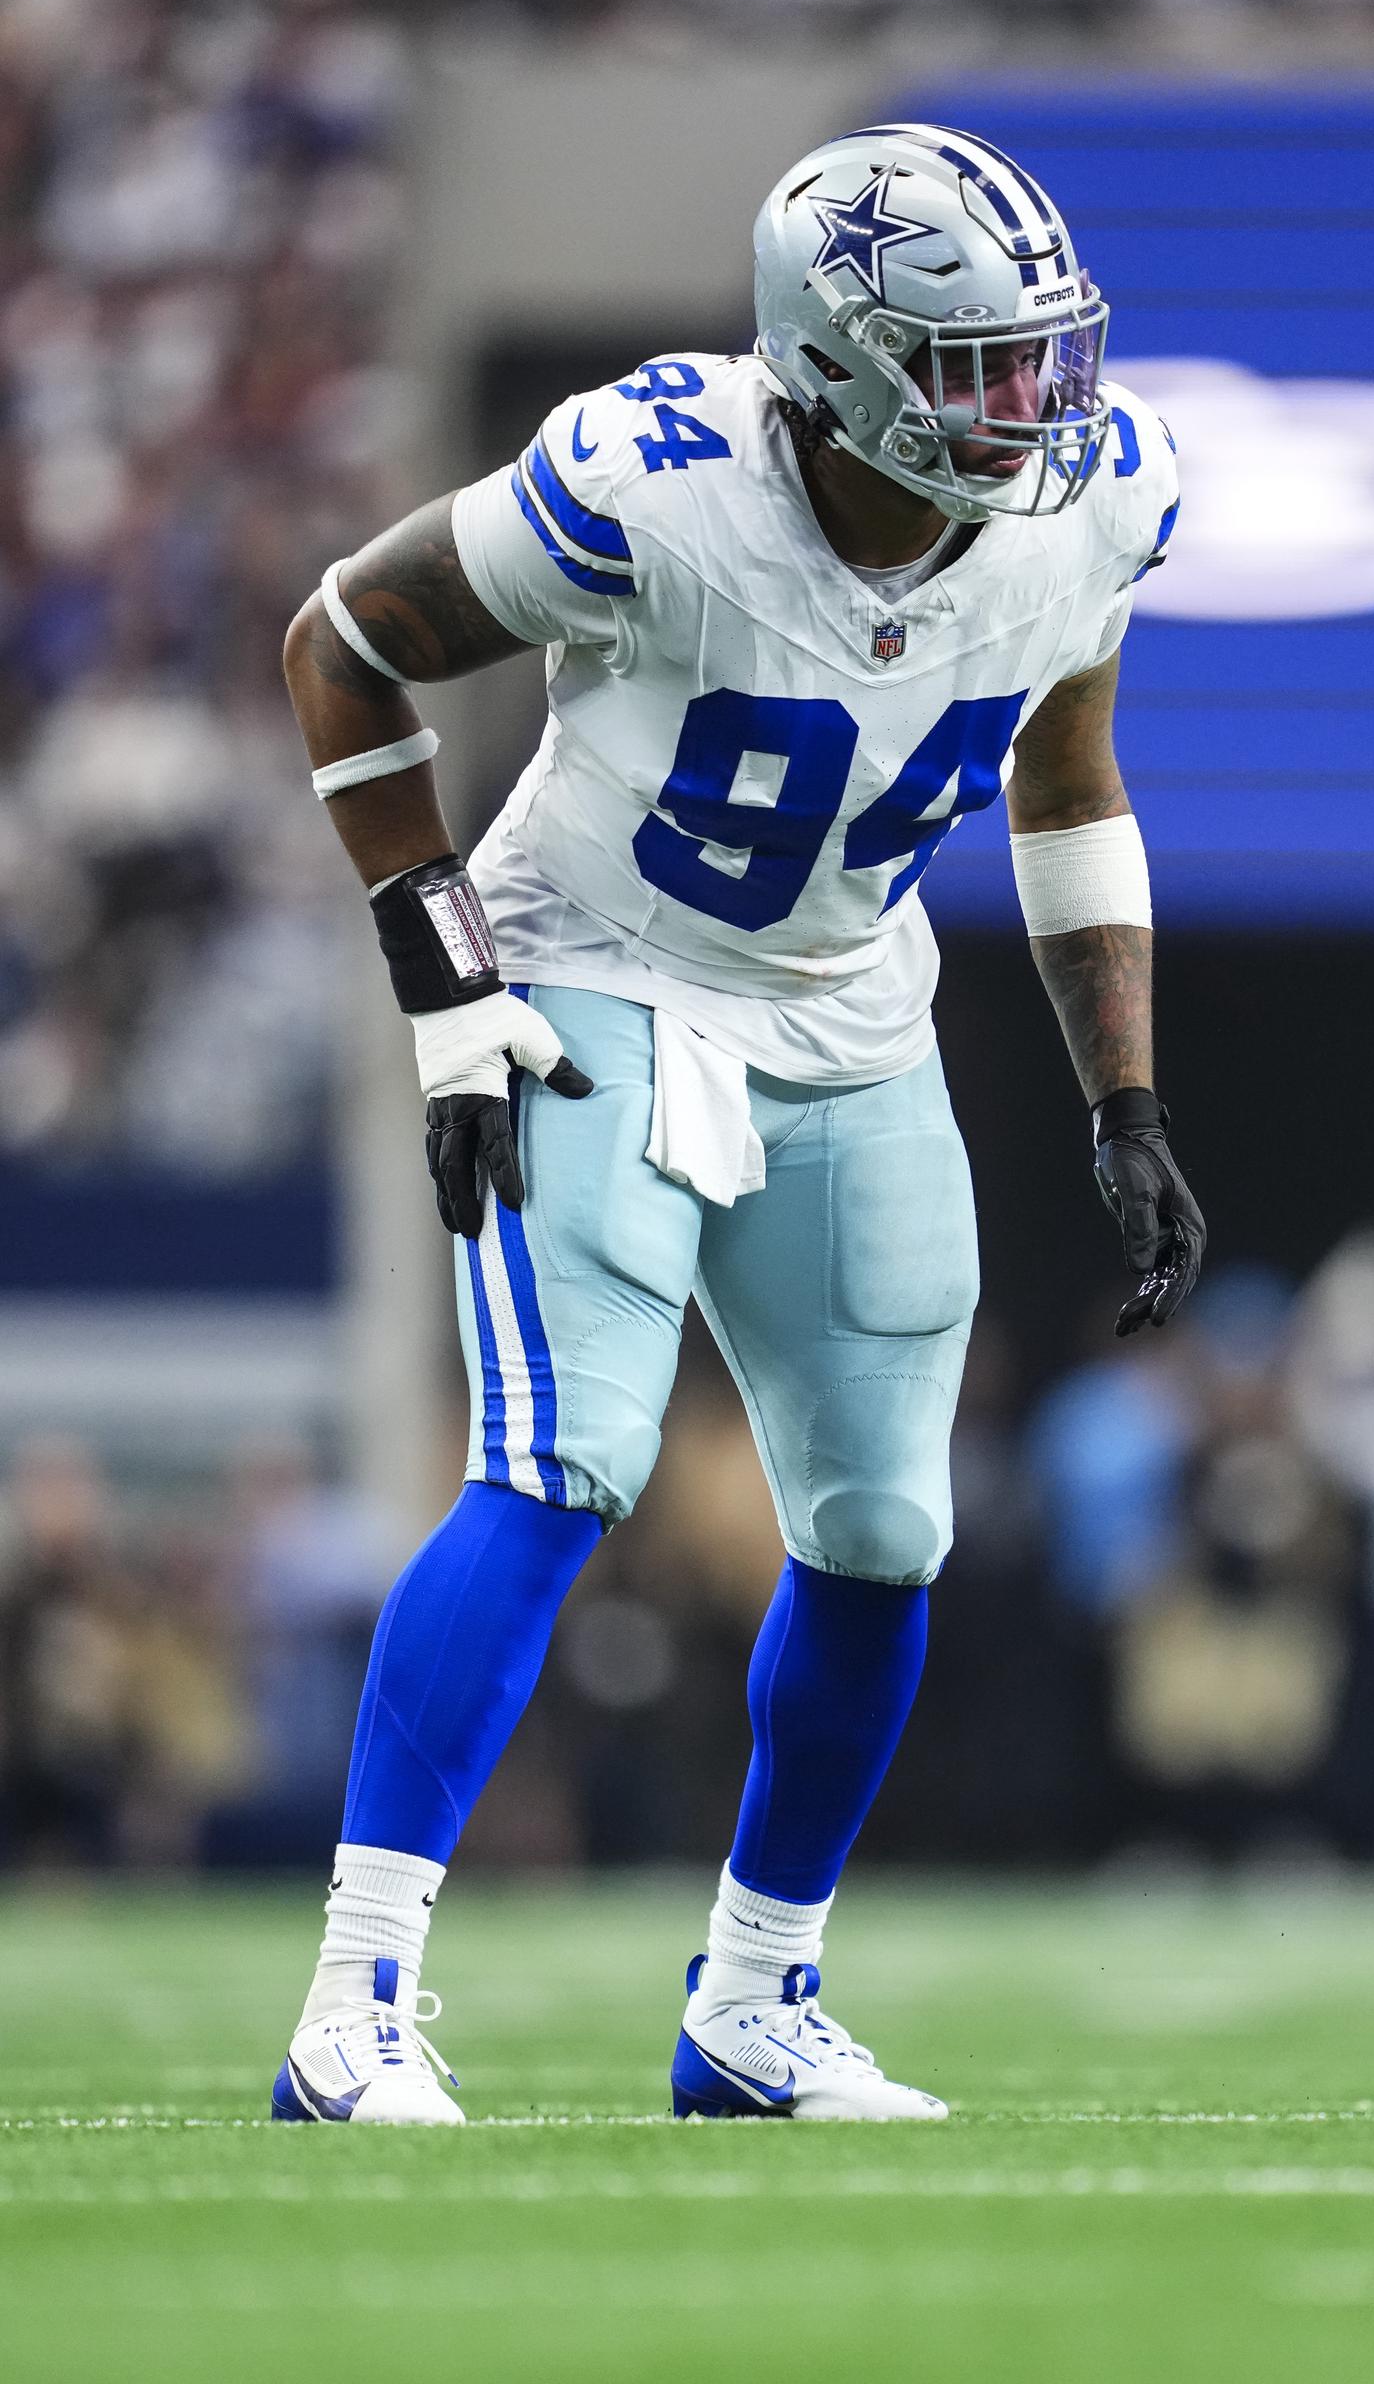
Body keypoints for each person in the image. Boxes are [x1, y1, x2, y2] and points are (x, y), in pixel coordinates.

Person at [274, 122, 1205, 2124]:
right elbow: (337, 650)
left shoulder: (1096, 504)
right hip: (592, 966)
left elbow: (1064, 779)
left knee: (882, 1526)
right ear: (837, 360)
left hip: (849, 1009)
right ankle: (353, 1999)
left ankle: (752, 1999)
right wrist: (447, 996)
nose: (1034, 405)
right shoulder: (650, 484)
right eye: (976, 367)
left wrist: (1119, 1093)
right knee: (568, 1459)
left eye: (1045, 355)